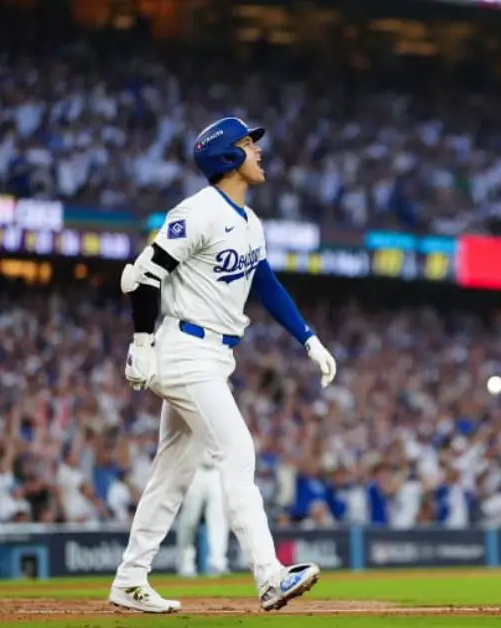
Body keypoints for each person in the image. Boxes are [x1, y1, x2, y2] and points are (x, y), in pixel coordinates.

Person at [109, 117, 338, 613]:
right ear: (227, 158)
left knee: (172, 472)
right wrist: (142, 343)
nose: (258, 151)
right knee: (238, 453)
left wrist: (308, 337)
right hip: (185, 348)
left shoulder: (249, 221)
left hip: (212, 353)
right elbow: (146, 275)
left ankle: (130, 578)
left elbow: (266, 284)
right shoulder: (199, 211)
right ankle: (269, 575)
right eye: (248, 144)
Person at [175, 460, 230, 578]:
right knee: (189, 520)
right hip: (194, 469)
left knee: (218, 518)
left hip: (217, 470)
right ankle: (185, 563)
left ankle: (217, 562)